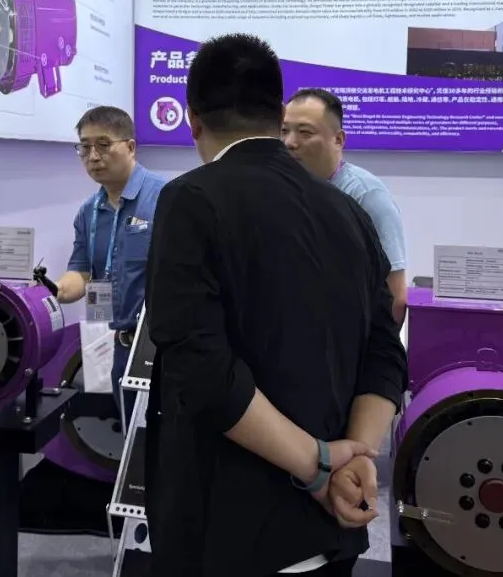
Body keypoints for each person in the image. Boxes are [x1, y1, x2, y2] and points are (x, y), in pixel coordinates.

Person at [144, 33, 408, 577]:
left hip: (231, 529)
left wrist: (320, 466)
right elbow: (385, 349)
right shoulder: (348, 211)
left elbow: (203, 371)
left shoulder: (190, 200)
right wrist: (354, 455)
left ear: (192, 120)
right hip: (332, 527)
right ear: (277, 113)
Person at [53, 105, 166, 423]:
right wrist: (54, 290)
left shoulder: (166, 198)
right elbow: (82, 272)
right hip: (112, 342)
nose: (93, 156)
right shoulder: (88, 212)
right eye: (84, 147)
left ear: (130, 147)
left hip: (158, 350)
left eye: (103, 145)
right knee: (125, 430)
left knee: (159, 439)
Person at [283, 88, 409, 324]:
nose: (290, 142)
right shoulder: (283, 190)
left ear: (338, 139)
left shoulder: (366, 196)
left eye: (305, 132)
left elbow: (395, 294)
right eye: (284, 131)